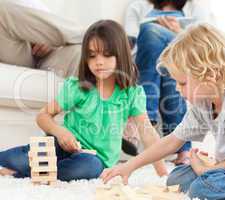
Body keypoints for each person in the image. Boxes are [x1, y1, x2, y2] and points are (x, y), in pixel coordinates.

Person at [101, 24, 225, 200]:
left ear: (210, 75)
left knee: (204, 186)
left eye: (182, 83)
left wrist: (208, 170)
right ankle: (216, 176)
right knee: (176, 178)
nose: (177, 89)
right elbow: (172, 141)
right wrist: (130, 166)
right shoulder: (203, 103)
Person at [0, 20, 167, 181]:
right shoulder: (78, 87)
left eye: (107, 55)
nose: (99, 62)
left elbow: (148, 133)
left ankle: (28, 172)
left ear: (121, 55)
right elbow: (43, 116)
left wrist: (163, 175)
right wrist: (60, 132)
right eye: (92, 56)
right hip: (60, 146)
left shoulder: (132, 93)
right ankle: (32, 167)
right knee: (19, 157)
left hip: (95, 159)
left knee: (86, 168)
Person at [124, 0, 213, 165]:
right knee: (163, 56)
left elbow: (207, 44)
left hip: (183, 53)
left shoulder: (196, 8)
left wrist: (178, 32)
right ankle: (183, 149)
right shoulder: (138, 6)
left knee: (162, 44)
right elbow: (127, 44)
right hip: (150, 61)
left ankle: (142, 119)